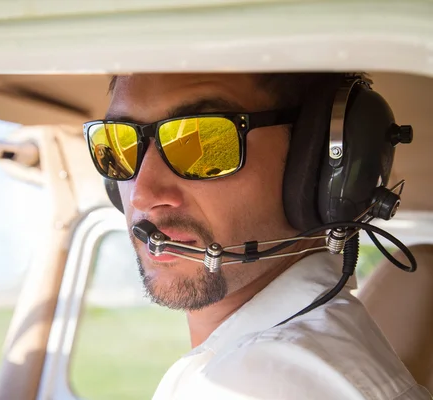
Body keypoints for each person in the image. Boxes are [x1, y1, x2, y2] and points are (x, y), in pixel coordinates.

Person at [83, 73, 432, 399]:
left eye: (205, 141)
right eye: (119, 143)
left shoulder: (263, 382)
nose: (141, 194)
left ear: (318, 164)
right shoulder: (253, 362)